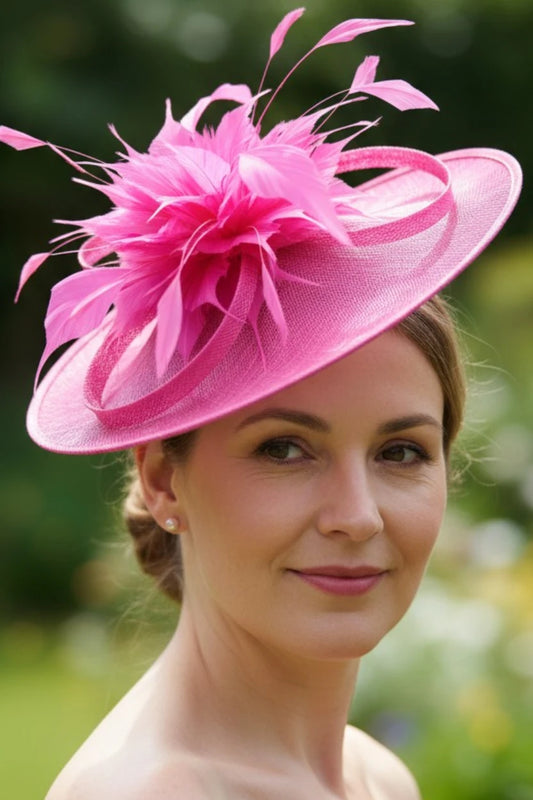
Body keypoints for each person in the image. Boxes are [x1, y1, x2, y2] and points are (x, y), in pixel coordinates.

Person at [1, 10, 521, 800]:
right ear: (163, 481)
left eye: (400, 452)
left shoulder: (378, 778)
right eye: (284, 447)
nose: (358, 515)